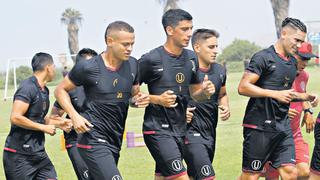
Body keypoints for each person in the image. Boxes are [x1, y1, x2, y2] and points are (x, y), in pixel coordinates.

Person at [54, 21, 150, 179]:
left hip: (115, 138)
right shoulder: (88, 67)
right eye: (125, 44)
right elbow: (60, 90)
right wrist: (74, 115)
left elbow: (133, 97)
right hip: (92, 138)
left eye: (132, 44)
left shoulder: (133, 64)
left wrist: (138, 100)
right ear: (110, 41)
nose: (130, 48)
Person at [139, 9, 215, 180]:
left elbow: (195, 94)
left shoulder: (191, 58)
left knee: (163, 177)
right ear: (170, 30)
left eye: (191, 28)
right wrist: (157, 99)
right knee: (181, 177)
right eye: (184, 29)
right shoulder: (151, 59)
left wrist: (204, 91)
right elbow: (131, 97)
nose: (189, 34)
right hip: (157, 130)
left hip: (181, 130)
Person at [237, 17, 317, 180]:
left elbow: (287, 93)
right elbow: (243, 87)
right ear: (284, 33)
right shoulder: (263, 57)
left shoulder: (292, 63)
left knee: (291, 173)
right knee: (251, 176)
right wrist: (274, 94)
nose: (299, 45)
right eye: (297, 40)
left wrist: (306, 97)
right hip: (259, 126)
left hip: (283, 127)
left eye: (302, 41)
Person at [3, 52, 70, 180]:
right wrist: (43, 128)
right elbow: (15, 117)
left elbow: (39, 118)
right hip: (19, 156)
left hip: (38, 155)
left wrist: (59, 123)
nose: (55, 70)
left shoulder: (45, 90)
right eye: (54, 67)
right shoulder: (27, 87)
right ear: (48, 68)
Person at [262, 42, 319, 180]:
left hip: (294, 133)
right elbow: (260, 99)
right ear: (292, 54)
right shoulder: (275, 72)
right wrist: (281, 111)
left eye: (308, 59)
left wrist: (308, 111)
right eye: (302, 58)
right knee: (270, 177)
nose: (305, 62)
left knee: (304, 172)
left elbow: (301, 95)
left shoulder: (304, 75)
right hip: (272, 133)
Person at [184, 28, 230, 180]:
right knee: (207, 177)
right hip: (190, 132)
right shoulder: (186, 70)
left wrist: (225, 106)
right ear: (197, 47)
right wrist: (181, 111)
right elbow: (172, 96)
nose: (216, 51)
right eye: (211, 47)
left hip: (210, 132)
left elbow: (222, 94)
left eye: (216, 46)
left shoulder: (220, 70)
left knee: (194, 176)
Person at [50, 48, 97, 180]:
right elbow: (53, 117)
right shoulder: (68, 89)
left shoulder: (102, 85)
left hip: (100, 139)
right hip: (76, 141)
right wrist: (66, 122)